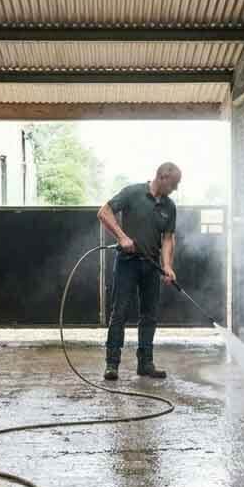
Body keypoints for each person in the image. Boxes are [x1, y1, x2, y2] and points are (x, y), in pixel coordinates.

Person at [97, 162, 181, 381]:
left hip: (151, 266)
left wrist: (167, 266)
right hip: (127, 262)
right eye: (173, 185)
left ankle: (145, 363)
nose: (175, 189)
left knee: (149, 315)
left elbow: (168, 238)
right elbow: (104, 212)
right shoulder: (132, 193)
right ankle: (112, 364)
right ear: (162, 178)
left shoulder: (169, 207)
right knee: (120, 312)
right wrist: (122, 237)